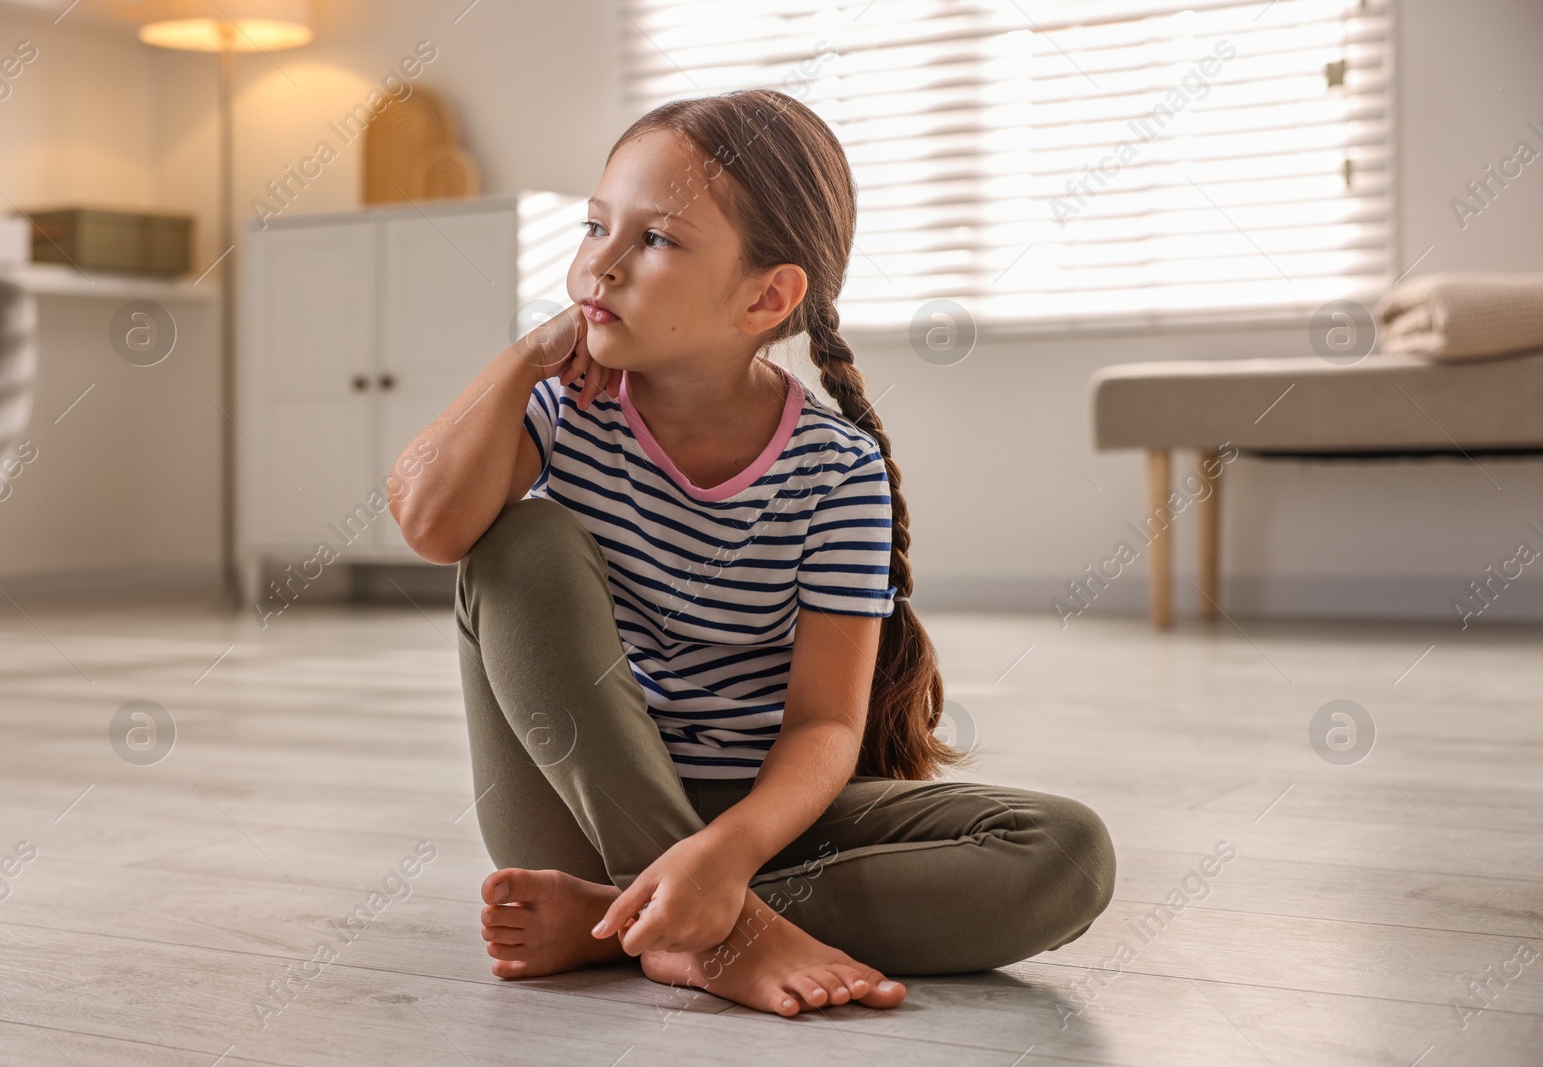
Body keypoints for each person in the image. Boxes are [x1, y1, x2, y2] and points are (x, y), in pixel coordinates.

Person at [389, 88, 1115, 1018]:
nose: (599, 265)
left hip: (753, 819)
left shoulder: (835, 472)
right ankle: (710, 929)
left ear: (765, 296)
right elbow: (431, 523)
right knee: (517, 541)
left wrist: (726, 855)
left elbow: (821, 728)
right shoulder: (564, 407)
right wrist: (526, 355)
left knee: (1064, 851)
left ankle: (631, 917)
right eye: (595, 226)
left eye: (653, 241)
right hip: (572, 808)